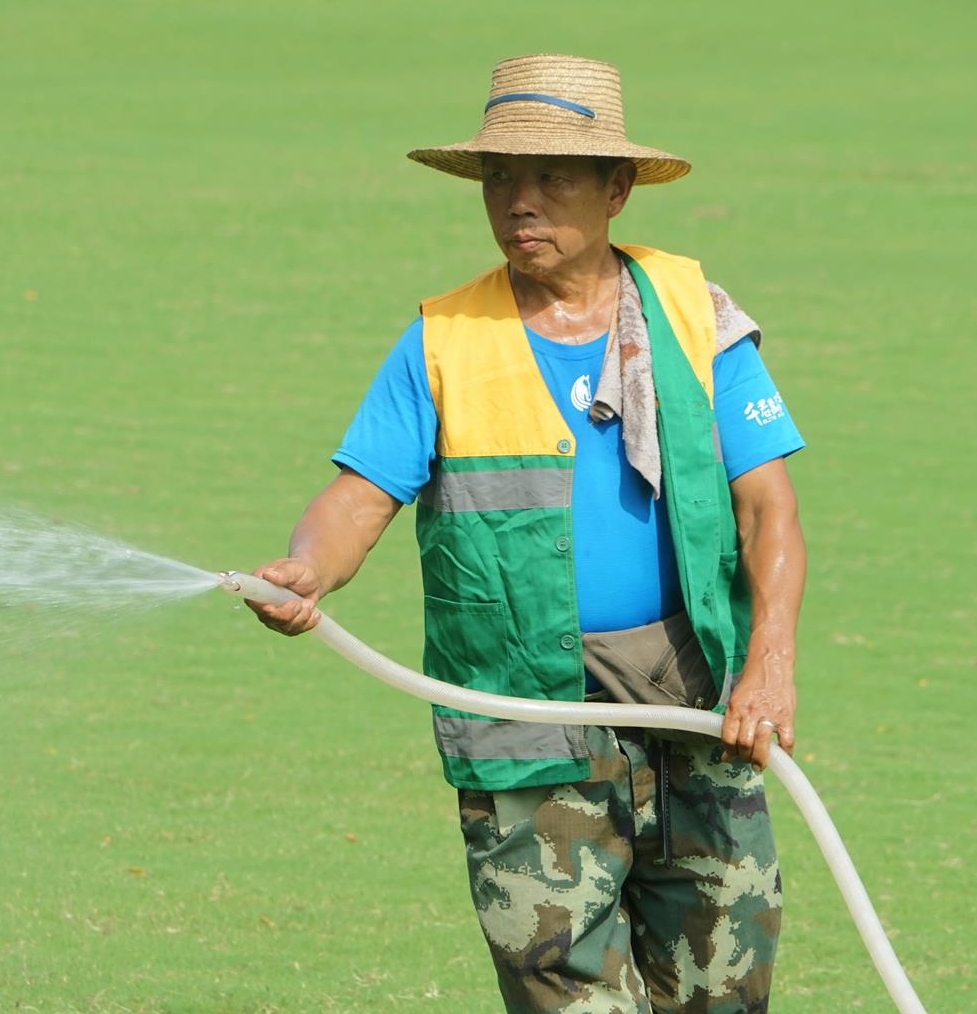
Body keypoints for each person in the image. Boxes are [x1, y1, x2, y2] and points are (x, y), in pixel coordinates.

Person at [249, 54, 806, 1014]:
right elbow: (358, 496)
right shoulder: (442, 341)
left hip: (692, 703)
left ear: (617, 189)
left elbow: (769, 509)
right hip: (519, 716)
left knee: (726, 991)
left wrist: (770, 664)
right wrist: (308, 568)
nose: (520, 202)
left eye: (552, 177)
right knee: (568, 998)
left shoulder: (697, 319)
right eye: (501, 177)